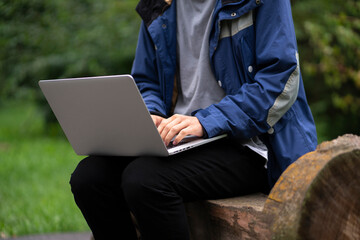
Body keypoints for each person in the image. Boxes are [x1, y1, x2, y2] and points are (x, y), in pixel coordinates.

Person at [70, 0, 318, 239]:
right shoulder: (160, 4)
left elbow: (279, 80)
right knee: (89, 178)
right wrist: (152, 114)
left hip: (249, 142)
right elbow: (147, 80)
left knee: (144, 180)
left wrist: (206, 121)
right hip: (180, 138)